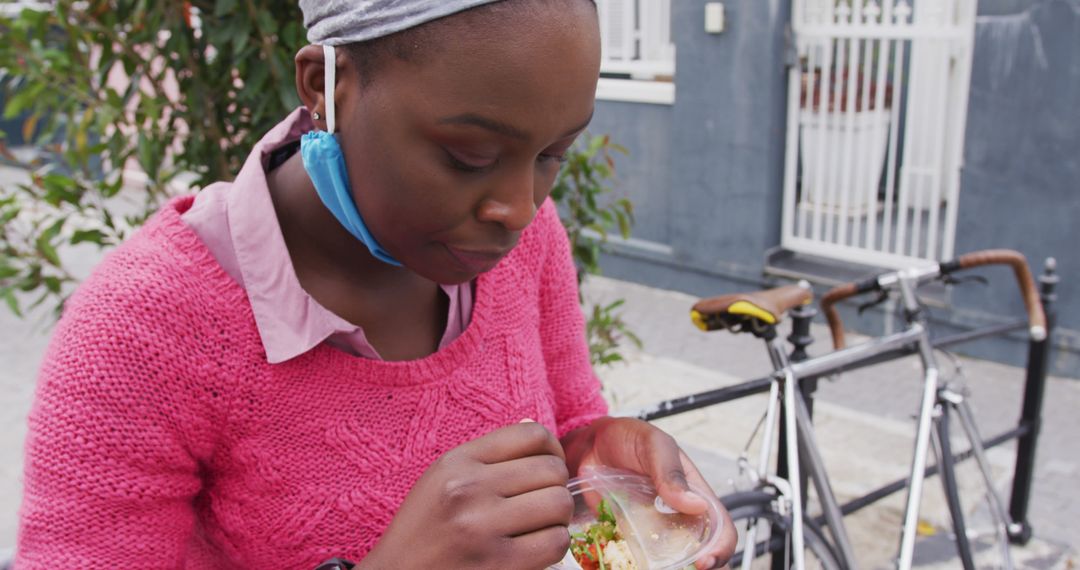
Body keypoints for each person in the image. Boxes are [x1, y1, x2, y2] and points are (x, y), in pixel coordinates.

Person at [16, 1, 737, 568]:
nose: (517, 207)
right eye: (467, 155)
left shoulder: (526, 241)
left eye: (552, 153)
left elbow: (569, 424)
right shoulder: (142, 331)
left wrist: (600, 458)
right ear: (325, 86)